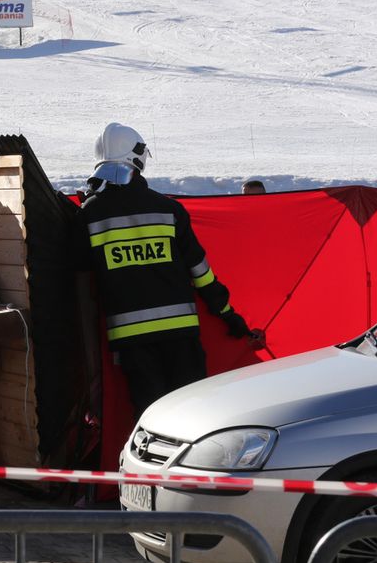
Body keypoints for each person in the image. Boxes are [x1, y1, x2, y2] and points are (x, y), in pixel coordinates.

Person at [73, 122, 263, 419]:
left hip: (131, 342)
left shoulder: (89, 216)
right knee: (195, 416)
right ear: (137, 160)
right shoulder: (168, 210)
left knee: (151, 419)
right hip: (181, 336)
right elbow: (200, 272)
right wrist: (228, 314)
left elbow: (84, 284)